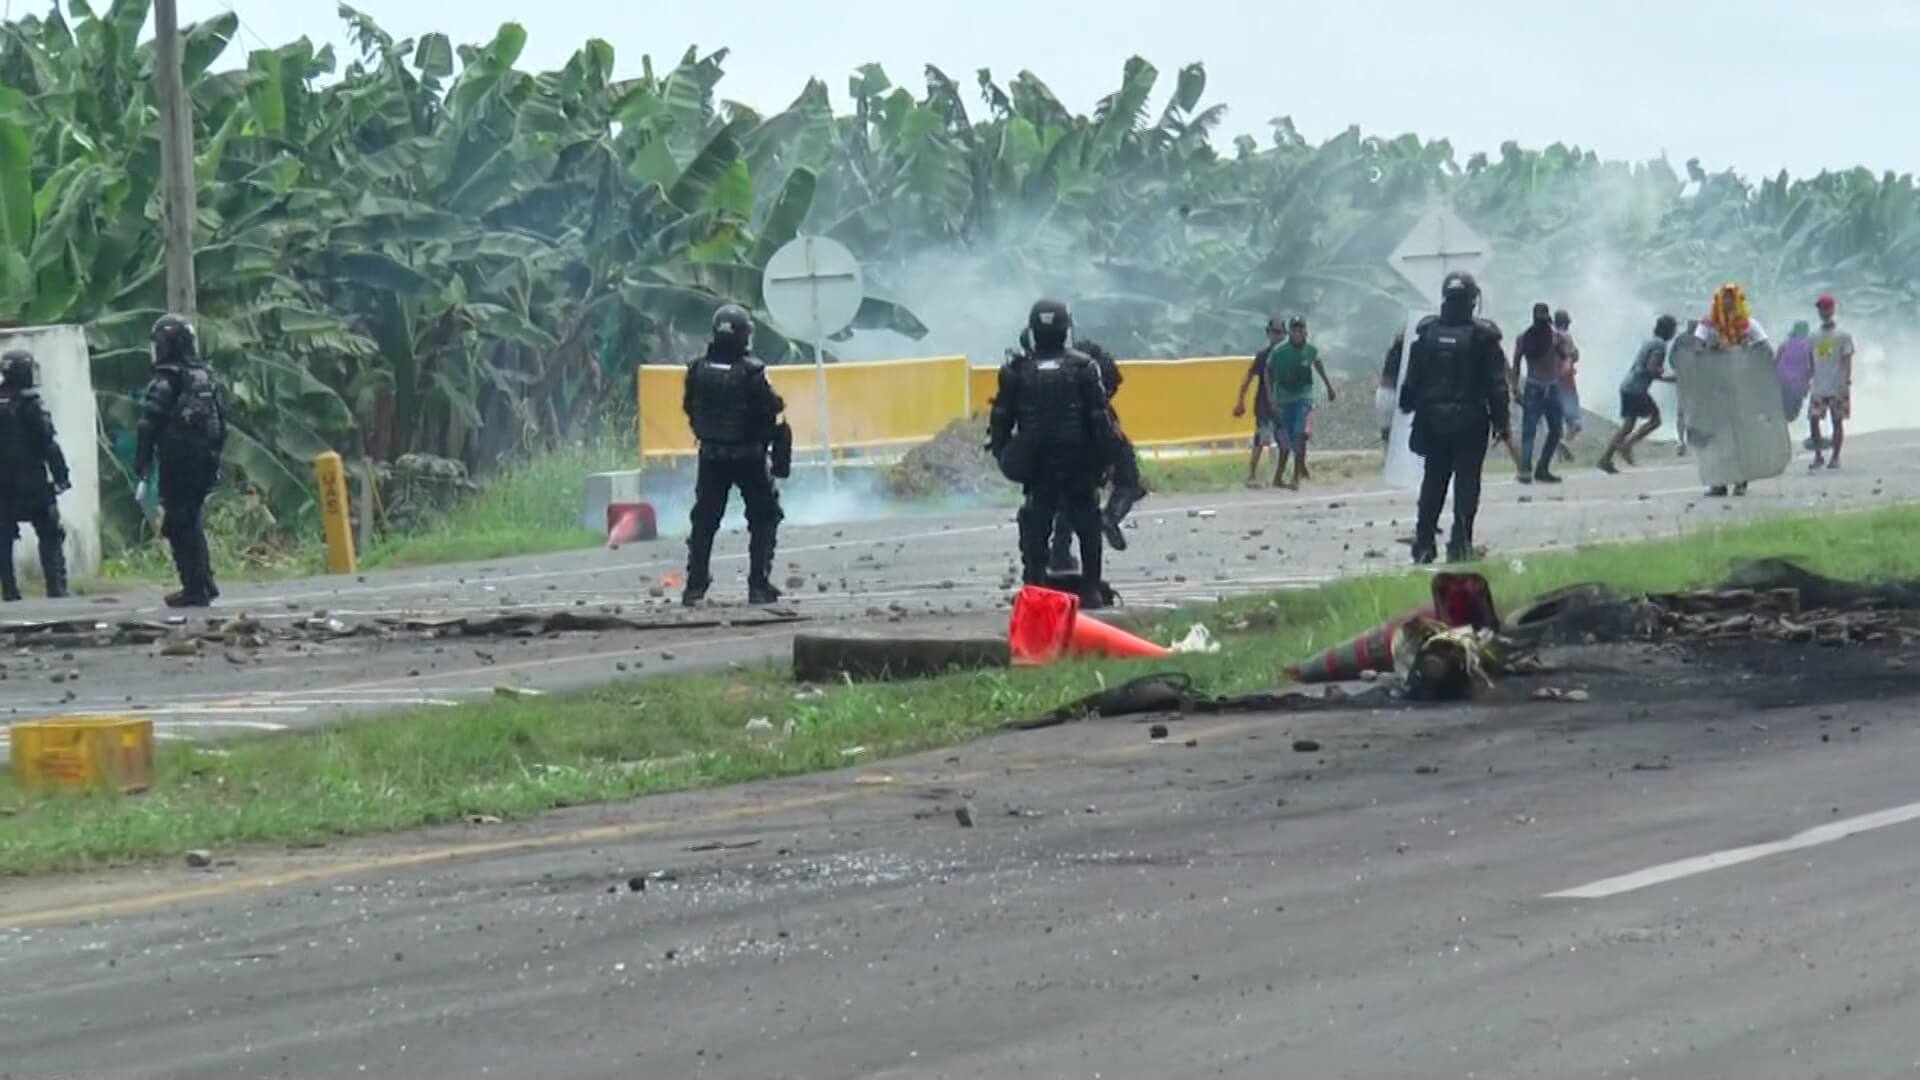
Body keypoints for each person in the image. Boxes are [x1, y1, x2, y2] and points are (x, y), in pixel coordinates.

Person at [989, 298, 1120, 608]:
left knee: (1036, 522)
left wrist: (1007, 455)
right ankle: (1088, 589)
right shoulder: (1084, 367)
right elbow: (1100, 420)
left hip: (1038, 462)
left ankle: (1035, 585)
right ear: (1066, 329)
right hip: (1078, 459)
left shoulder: (1016, 370)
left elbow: (1000, 421)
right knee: (1087, 522)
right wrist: (1106, 459)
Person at [1399, 270, 1510, 564]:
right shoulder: (1484, 336)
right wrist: (1502, 422)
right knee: (1466, 483)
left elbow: (1411, 381)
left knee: (1433, 480)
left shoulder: (1427, 333)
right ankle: (1459, 544)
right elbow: (1497, 385)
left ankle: (1424, 544)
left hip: (1432, 420)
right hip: (1470, 421)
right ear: (1473, 300)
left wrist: (1408, 406)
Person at [681, 303, 787, 606]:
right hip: (748, 456)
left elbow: (690, 407)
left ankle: (695, 585)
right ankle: (758, 584)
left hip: (711, 456)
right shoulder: (753, 372)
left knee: (704, 520)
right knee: (765, 516)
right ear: (744, 336)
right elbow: (772, 406)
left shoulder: (697, 369)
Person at [135, 315, 227, 608]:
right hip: (204, 461)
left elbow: (148, 424)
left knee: (178, 525)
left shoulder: (166, 381)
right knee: (190, 520)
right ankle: (204, 582)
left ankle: (194, 587)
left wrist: (143, 463)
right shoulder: (203, 376)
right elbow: (221, 423)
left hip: (180, 463)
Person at [1049, 337, 1143, 571]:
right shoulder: (1095, 363)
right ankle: (1109, 518)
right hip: (1095, 427)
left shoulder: (1050, 367)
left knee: (1066, 495)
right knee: (1128, 480)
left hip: (1063, 432)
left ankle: (1060, 552)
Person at [0, 350, 72, 600]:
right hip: (33, 482)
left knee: (4, 537)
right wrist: (62, 475)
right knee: (50, 532)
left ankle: (9, 591)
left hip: (4, 485)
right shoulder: (31, 404)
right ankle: (56, 588)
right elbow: (47, 443)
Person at [1691, 282, 1771, 496]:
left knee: (1739, 435)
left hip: (1741, 388)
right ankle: (1719, 482)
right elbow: (1696, 346)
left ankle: (1741, 479)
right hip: (1716, 388)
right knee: (1718, 436)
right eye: (1723, 297)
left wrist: (1745, 352)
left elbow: (1764, 347)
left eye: (1731, 297)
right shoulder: (1708, 324)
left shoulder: (1748, 324)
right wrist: (1710, 349)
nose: (1727, 302)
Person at [1597, 315, 1679, 474]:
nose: (1675, 332)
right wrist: (1670, 378)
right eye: (1674, 328)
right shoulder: (1660, 345)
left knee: (1628, 425)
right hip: (1636, 389)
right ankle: (1627, 446)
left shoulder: (1651, 341)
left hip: (1628, 385)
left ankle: (1606, 458)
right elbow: (1651, 368)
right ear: (1668, 330)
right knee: (1655, 420)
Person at [1262, 316, 1336, 488]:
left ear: (1305, 332)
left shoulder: (1310, 350)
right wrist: (1271, 396)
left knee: (1299, 435)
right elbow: (1268, 371)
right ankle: (1278, 477)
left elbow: (1317, 363)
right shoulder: (1280, 351)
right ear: (1290, 333)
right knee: (1285, 441)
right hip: (1284, 398)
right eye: (1294, 330)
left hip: (1303, 397)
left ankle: (1296, 477)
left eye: (1300, 330)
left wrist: (1329, 386)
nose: (1297, 333)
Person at [1509, 302, 1567, 484]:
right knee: (1555, 430)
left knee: (1529, 432)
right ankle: (1542, 468)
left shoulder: (1523, 338)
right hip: (1550, 385)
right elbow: (1565, 357)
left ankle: (1525, 471)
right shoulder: (1555, 337)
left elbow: (1516, 364)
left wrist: (1515, 387)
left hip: (1532, 385)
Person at [1233, 318, 1286, 488]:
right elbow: (1247, 379)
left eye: (1279, 333)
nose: (1275, 336)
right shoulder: (1263, 356)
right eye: (1273, 332)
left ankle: (1277, 475)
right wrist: (1241, 400)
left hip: (1282, 404)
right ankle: (1252, 475)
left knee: (1282, 440)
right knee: (1260, 440)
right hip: (1264, 404)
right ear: (1268, 334)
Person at [1807, 293, 1856, 470]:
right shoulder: (1813, 335)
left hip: (1837, 385)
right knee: (1813, 419)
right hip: (1819, 386)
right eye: (1821, 308)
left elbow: (1847, 358)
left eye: (1826, 308)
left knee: (1837, 421)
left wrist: (1846, 380)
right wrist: (1811, 378)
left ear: (1832, 309)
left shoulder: (1843, 335)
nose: (1823, 311)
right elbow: (1811, 359)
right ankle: (1818, 455)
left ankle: (1835, 457)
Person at [1552, 308, 1581, 462]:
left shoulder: (1549, 336)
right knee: (1576, 422)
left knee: (1558, 420)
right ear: (1566, 322)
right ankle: (1565, 442)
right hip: (1567, 381)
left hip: (1552, 381)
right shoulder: (1566, 337)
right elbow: (1572, 356)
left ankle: (1559, 457)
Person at [1776, 320, 1814, 424]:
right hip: (1799, 384)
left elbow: (1776, 362)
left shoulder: (1785, 344)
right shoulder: (1810, 345)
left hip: (1782, 382)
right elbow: (1813, 365)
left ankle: (1783, 429)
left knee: (1783, 409)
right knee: (1792, 414)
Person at [1378, 331, 1405, 445]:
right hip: (1390, 393)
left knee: (1387, 432)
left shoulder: (1393, 352)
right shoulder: (1398, 353)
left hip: (1387, 393)